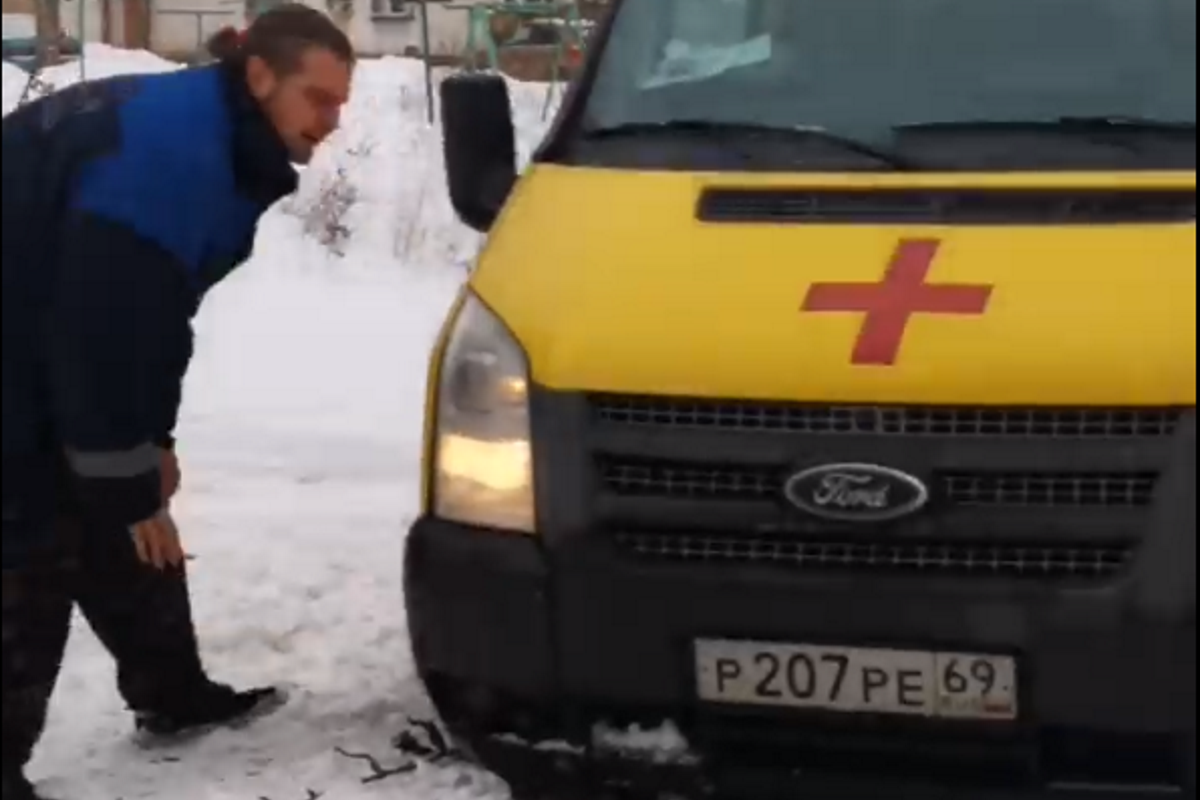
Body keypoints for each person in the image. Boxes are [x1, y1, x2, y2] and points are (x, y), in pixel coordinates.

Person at [1, 5, 354, 798]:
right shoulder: (174, 158)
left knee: (124, 497)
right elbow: (103, 334)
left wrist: (146, 442)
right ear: (261, 76)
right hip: (24, 338)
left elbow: (153, 318)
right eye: (319, 99)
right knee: (35, 535)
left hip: (43, 318)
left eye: (341, 103)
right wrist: (127, 480)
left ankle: (171, 691)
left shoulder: (218, 136)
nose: (332, 122)